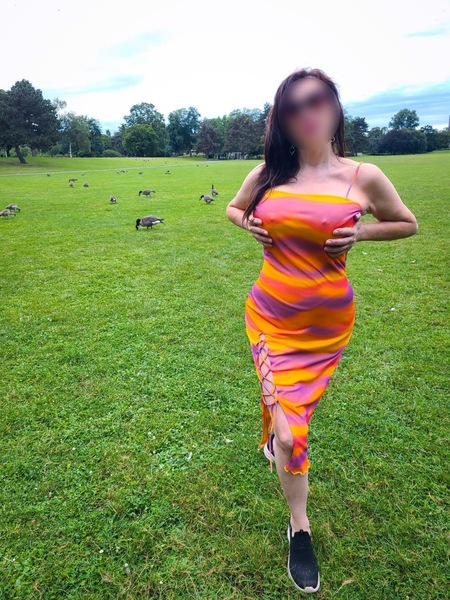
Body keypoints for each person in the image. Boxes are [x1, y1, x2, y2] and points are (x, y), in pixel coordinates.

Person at [225, 67, 418, 594]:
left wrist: (363, 233)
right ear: (281, 120)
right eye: (293, 107)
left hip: (326, 330)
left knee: (293, 419)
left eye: (317, 100)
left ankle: (277, 432)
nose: (307, 113)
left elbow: (407, 223)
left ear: (335, 106)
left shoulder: (364, 176)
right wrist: (248, 223)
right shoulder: (268, 173)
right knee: (292, 435)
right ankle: (300, 526)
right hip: (269, 317)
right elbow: (233, 208)